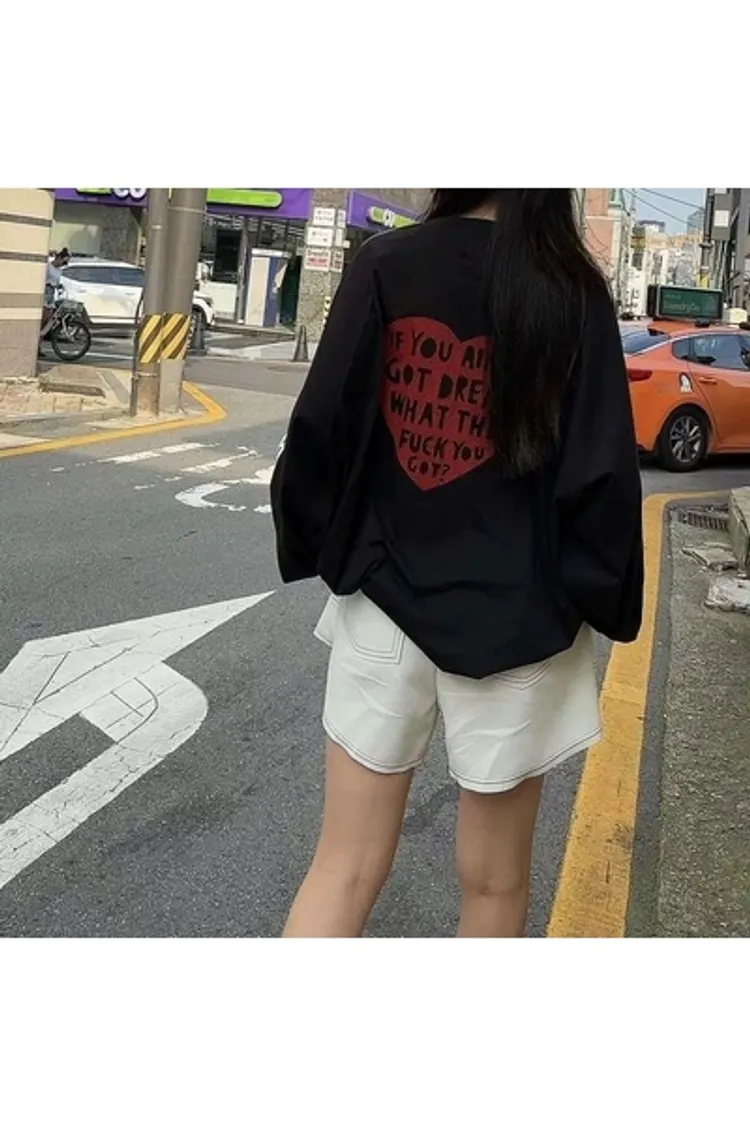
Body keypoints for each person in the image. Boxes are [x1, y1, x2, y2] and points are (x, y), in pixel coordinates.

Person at [270, 189, 644, 938]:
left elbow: (322, 425)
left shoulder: (388, 264)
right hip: (521, 620)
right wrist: (604, 595)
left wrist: (313, 540)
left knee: (341, 867)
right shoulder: (570, 288)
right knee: (495, 885)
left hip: (385, 598)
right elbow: (600, 474)